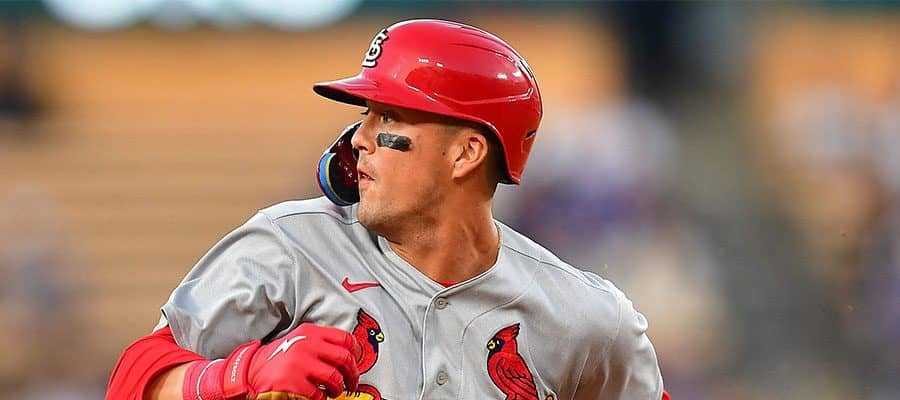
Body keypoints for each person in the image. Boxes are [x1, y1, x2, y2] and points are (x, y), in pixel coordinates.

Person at [106, 19, 669, 400]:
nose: (358, 139)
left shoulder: (584, 316)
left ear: (466, 153)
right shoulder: (289, 248)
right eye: (366, 115)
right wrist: (241, 373)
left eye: (389, 119)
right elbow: (132, 382)